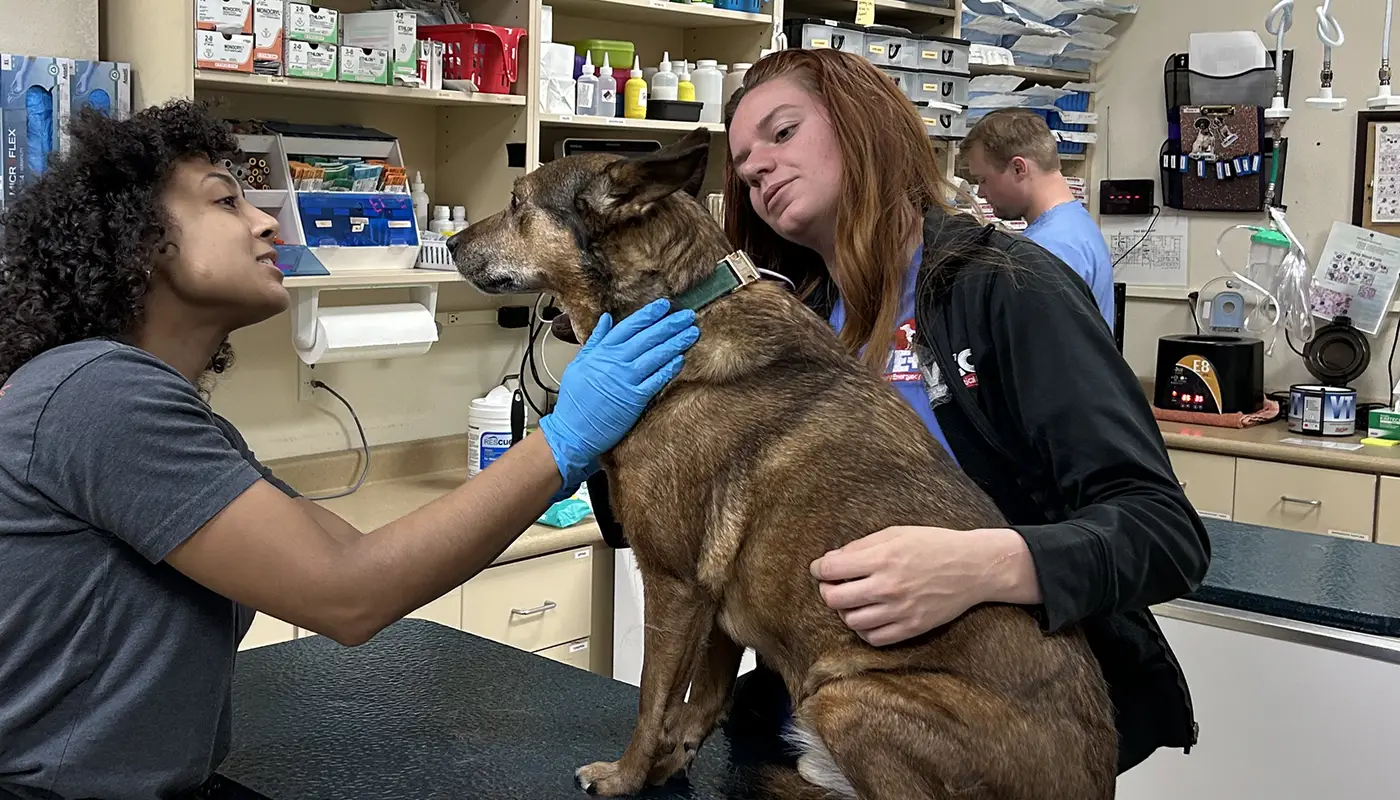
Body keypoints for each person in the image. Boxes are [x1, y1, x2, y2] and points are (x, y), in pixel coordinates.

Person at [0, 100, 697, 799]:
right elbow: (348, 594)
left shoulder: (165, 411)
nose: (267, 220)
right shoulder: (95, 394)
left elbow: (358, 557)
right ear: (137, 238)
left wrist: (562, 446)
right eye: (225, 201)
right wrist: (564, 439)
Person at [717, 49, 1209, 775]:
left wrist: (984, 567)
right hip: (824, 725)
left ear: (864, 126)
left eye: (782, 132)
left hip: (997, 734)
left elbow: (1164, 533)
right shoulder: (794, 322)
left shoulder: (1006, 289)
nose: (756, 166)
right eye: (741, 160)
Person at [961, 107, 1117, 326]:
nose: (980, 192)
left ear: (1018, 168)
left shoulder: (1048, 247)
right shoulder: (1077, 226)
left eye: (983, 180)